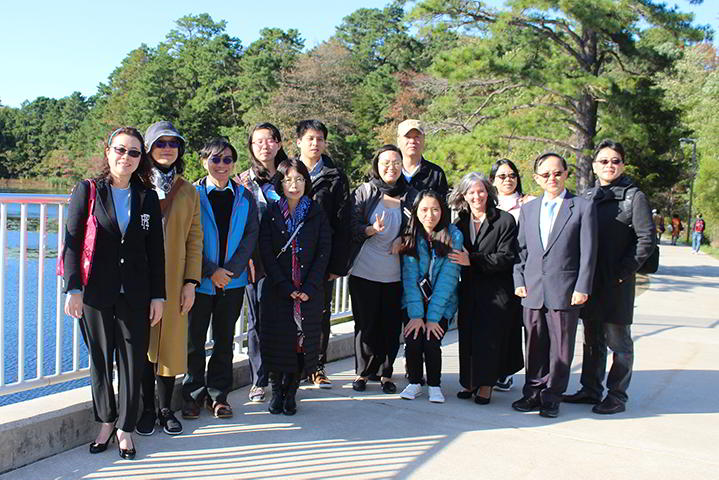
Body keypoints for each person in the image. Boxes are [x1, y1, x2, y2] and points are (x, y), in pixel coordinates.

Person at [63, 126, 165, 459]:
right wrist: (73, 288)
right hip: (95, 292)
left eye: (134, 152)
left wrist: (158, 296)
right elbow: (72, 244)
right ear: (108, 152)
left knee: (134, 362)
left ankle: (125, 428)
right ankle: (105, 422)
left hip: (136, 293)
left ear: (141, 159)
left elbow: (156, 251)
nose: (126, 157)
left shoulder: (147, 197)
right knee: (100, 361)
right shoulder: (88, 190)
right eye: (120, 150)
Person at [564, 139, 656, 415]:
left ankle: (617, 395)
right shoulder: (589, 196)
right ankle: (590, 389)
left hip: (617, 282)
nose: (610, 165)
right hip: (591, 280)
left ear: (623, 164)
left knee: (619, 341)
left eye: (615, 160)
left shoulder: (634, 196)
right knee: (592, 339)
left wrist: (624, 272)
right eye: (603, 161)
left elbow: (646, 239)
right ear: (594, 166)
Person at [512, 152, 597, 418]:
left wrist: (583, 286)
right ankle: (533, 392)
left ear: (566, 174)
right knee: (534, 344)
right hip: (533, 289)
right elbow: (521, 251)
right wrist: (519, 279)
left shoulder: (582, 207)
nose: (552, 178)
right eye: (546, 174)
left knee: (560, 348)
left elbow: (588, 251)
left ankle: (552, 396)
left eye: (557, 173)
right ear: (537, 178)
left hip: (565, 290)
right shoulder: (528, 209)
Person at [182, 138, 259, 420]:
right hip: (198, 281)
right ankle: (192, 395)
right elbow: (186, 238)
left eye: (227, 160)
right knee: (194, 341)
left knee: (225, 341)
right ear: (204, 161)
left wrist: (231, 271)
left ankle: (218, 396)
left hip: (232, 281)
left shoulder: (244, 196)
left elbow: (251, 235)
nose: (222, 165)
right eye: (216, 159)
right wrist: (210, 270)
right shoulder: (191, 194)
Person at [136, 121, 203, 437]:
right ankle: (146, 408)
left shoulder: (188, 190)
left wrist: (191, 282)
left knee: (170, 349)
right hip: (139, 280)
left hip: (176, 282)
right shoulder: (135, 186)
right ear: (148, 148)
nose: (166, 148)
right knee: (142, 347)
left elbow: (195, 238)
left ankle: (165, 409)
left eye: (172, 143)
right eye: (160, 143)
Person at [259, 159, 331, 415]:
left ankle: (292, 392)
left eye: (299, 179)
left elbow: (324, 250)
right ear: (280, 183)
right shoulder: (270, 213)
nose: (294, 184)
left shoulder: (316, 212)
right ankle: (277, 390)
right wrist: (284, 285)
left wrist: (309, 286)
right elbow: (266, 251)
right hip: (278, 291)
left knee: (302, 343)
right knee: (277, 341)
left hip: (308, 292)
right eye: (288, 179)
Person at [348, 145, 418, 394]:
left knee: (390, 326)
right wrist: (370, 230)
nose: (391, 167)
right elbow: (351, 226)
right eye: (385, 162)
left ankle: (386, 373)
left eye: (396, 162)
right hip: (364, 270)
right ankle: (364, 373)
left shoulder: (411, 195)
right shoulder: (365, 192)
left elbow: (419, 228)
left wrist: (404, 239)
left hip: (396, 273)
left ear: (403, 165)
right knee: (366, 325)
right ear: (376, 165)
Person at [448, 172, 522, 404]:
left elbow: (507, 257)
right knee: (468, 336)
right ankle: (470, 381)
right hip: (468, 290)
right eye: (471, 192)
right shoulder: (459, 223)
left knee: (489, 339)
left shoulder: (504, 220)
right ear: (463, 195)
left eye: (480, 191)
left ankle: (487, 385)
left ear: (488, 192)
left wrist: (474, 260)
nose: (476, 196)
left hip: (496, 290)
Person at [295, 120, 351, 389]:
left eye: (319, 139)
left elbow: (343, 222)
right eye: (309, 138)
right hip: (291, 257)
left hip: (321, 259)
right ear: (299, 142)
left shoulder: (335, 177)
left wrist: (337, 263)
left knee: (319, 313)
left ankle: (317, 366)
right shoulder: (288, 172)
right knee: (290, 312)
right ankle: (293, 366)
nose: (314, 143)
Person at [235, 122, 288, 402]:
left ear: (278, 143)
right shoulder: (243, 181)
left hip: (288, 258)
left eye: (270, 140)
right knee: (256, 321)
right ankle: (259, 378)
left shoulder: (290, 175)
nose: (264, 146)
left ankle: (285, 376)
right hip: (256, 261)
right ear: (251, 147)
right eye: (258, 142)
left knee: (287, 319)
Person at [398, 190, 463, 403]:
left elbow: (448, 280)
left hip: (442, 304)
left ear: (442, 211)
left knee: (431, 339)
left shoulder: (453, 235)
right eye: (424, 210)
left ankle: (435, 385)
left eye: (435, 209)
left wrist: (433, 317)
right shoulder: (410, 237)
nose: (430, 215)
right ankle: (415, 382)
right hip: (414, 302)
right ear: (416, 212)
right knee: (414, 338)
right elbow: (409, 278)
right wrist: (416, 315)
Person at [488, 158, 535, 392]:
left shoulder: (529, 204)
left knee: (516, 324)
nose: (508, 180)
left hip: (520, 272)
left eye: (512, 175)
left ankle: (509, 372)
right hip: (493, 271)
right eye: (502, 176)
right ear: (492, 181)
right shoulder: (486, 205)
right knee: (496, 323)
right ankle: (494, 369)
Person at [396, 119, 449, 198]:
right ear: (398, 140)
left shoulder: (436, 173)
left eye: (417, 137)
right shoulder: (390, 172)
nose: (412, 141)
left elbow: (443, 207)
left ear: (423, 139)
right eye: (407, 137)